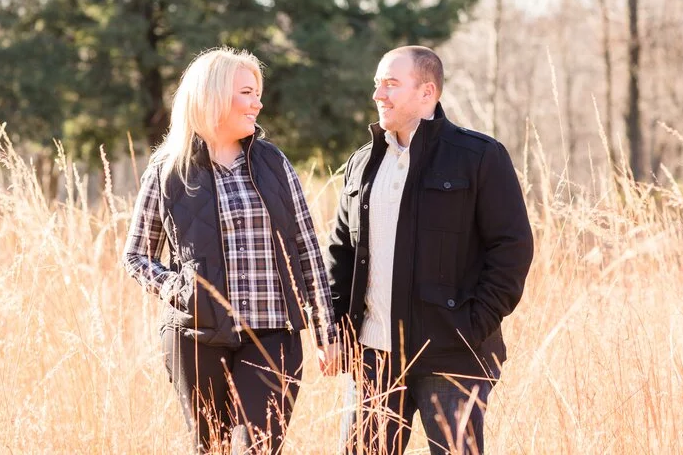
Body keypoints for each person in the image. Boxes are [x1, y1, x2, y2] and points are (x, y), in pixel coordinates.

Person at [122, 47, 337, 454]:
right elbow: (135, 256)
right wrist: (177, 288)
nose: (258, 102)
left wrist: (327, 331)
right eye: (247, 92)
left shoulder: (274, 164)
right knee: (211, 448)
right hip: (196, 336)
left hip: (272, 334)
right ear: (213, 96)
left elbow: (307, 246)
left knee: (259, 448)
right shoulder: (168, 170)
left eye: (257, 92)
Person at [322, 45, 534, 454]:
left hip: (453, 355)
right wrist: (336, 327)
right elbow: (341, 251)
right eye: (376, 84)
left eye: (391, 84)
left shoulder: (479, 157)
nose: (378, 95)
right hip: (374, 359)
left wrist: (472, 326)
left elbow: (512, 248)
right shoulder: (362, 163)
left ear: (427, 92)